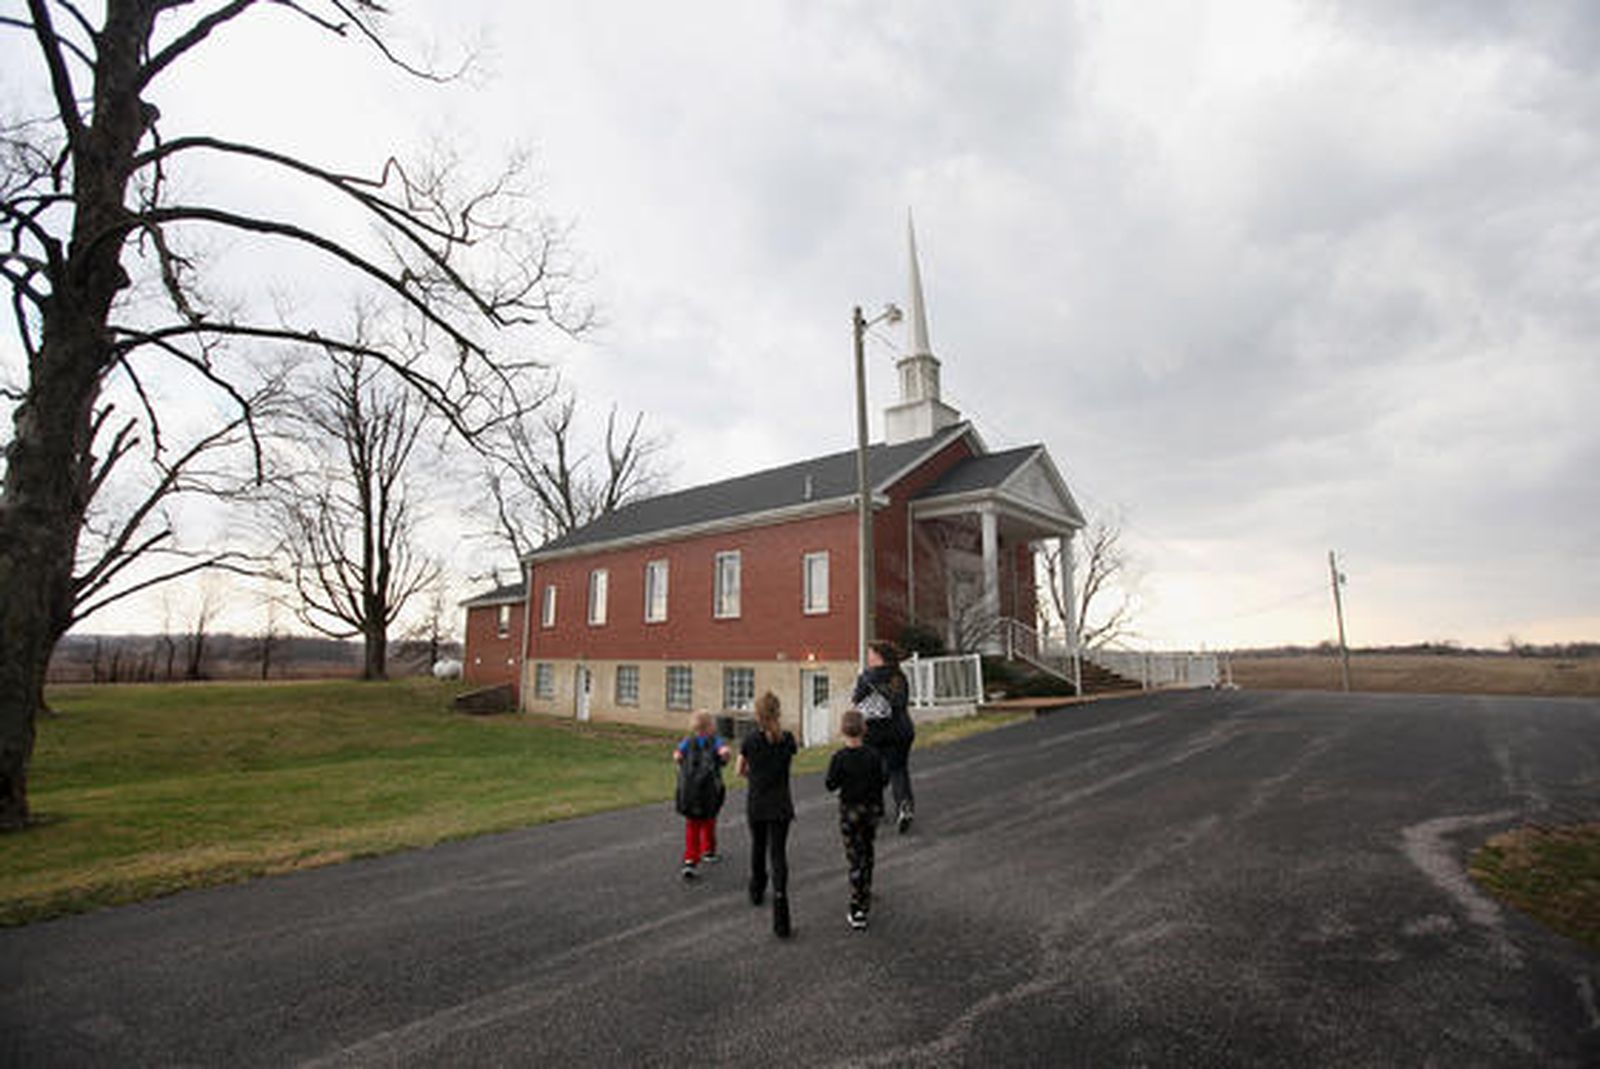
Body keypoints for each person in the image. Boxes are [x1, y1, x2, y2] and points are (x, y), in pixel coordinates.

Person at [737, 691, 797, 938]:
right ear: (778, 712)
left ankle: (757, 888)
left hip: (758, 803)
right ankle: (781, 903)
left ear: (757, 714)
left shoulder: (750, 741)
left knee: (758, 847)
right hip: (781, 803)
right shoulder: (788, 740)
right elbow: (785, 765)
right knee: (778, 853)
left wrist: (754, 776)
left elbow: (739, 771)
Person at [826, 707, 888, 930]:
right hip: (871, 809)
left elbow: (830, 784)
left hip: (850, 812)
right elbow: (884, 779)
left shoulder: (839, 758)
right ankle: (866, 889)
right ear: (864, 729)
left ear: (843, 731)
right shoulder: (874, 755)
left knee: (854, 856)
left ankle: (857, 907)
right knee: (868, 849)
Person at [852, 639, 916, 832]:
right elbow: (902, 701)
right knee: (898, 769)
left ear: (879, 656)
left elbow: (856, 700)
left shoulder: (867, 677)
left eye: (871, 653)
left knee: (874, 771)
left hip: (875, 732)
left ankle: (876, 810)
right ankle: (904, 805)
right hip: (901, 730)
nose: (868, 657)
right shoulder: (900, 677)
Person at [674, 709, 730, 879]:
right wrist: (725, 755)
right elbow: (724, 753)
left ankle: (690, 859)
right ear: (711, 726)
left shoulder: (687, 741)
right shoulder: (716, 741)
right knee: (709, 821)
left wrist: (680, 762)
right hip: (709, 791)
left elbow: (677, 755)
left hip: (690, 792)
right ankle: (708, 851)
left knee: (692, 826)